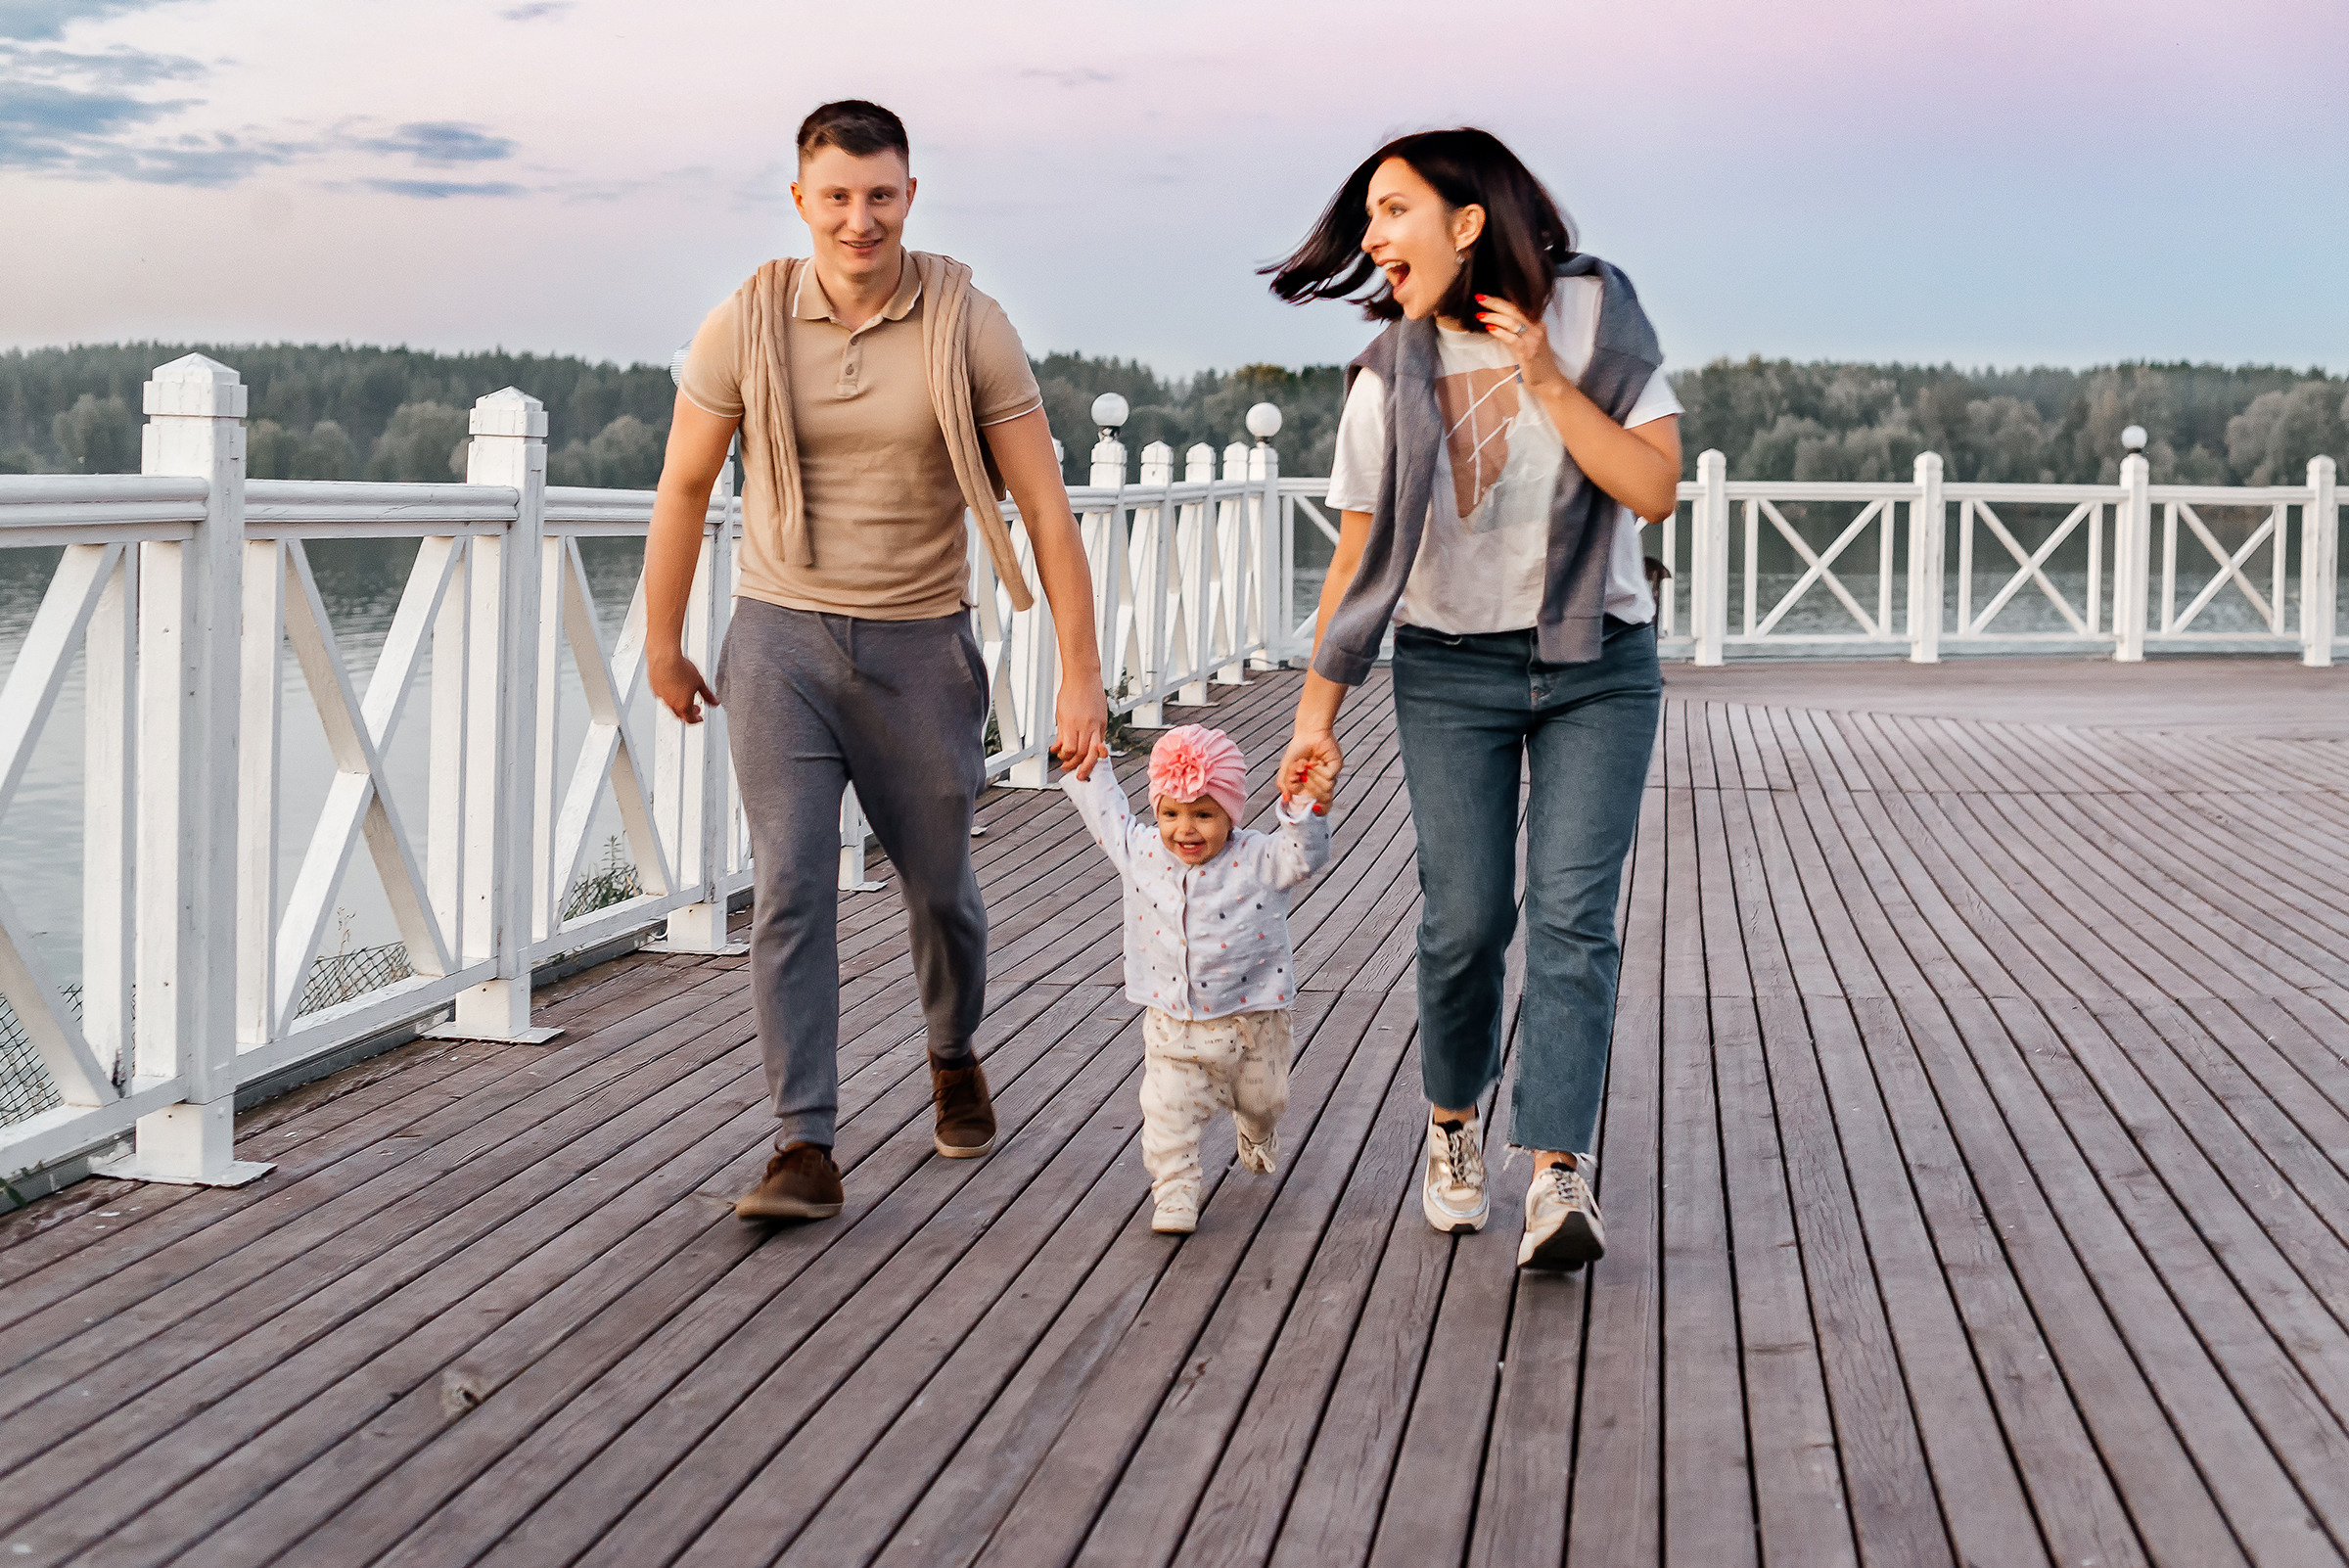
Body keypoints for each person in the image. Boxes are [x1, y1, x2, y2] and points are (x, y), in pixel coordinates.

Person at [642, 100, 1108, 1223]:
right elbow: (686, 486)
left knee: (940, 887)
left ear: (909, 195)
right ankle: (803, 1141)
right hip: (781, 641)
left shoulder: (966, 322)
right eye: (837, 197)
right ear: (801, 199)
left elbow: (1044, 507)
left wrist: (1080, 670)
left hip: (920, 645)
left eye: (881, 195)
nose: (860, 219)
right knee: (793, 884)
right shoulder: (745, 321)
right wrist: (663, 636)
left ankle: (953, 1051)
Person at [1267, 128, 1681, 1271]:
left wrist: (1547, 381)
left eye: (1392, 210)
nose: (1371, 237)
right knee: (1464, 923)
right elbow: (1353, 561)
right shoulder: (1387, 374)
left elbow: (1653, 489)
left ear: (1464, 222)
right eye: (1368, 217)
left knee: (1571, 919)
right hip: (1449, 667)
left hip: (1599, 658)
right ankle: (1454, 1122)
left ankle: (1556, 1172)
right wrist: (1315, 716)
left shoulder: (1599, 320)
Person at [1061, 725, 1332, 1234]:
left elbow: (1306, 856)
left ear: (1231, 814)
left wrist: (1303, 808)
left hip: (1254, 1020)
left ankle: (1255, 1128)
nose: (1185, 829)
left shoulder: (1259, 858)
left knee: (1264, 1100)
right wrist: (1089, 764)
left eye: (1204, 815)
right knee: (1165, 1112)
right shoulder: (1141, 852)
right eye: (1170, 814)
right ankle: (1176, 1195)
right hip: (1173, 1023)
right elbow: (1108, 815)